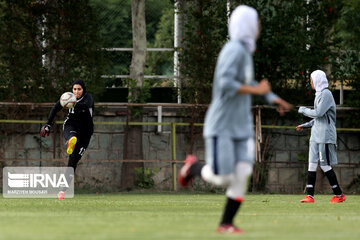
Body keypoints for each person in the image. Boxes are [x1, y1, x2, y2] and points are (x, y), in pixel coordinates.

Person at [178, 5, 292, 234]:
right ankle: (193, 167)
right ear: (247, 25)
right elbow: (227, 84)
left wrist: (272, 98)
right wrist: (259, 92)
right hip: (222, 125)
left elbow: (251, 85)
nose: (259, 26)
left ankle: (226, 224)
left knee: (242, 173)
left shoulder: (246, 53)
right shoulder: (233, 51)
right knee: (222, 178)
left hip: (240, 126)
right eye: (256, 22)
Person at [296, 70, 346, 203]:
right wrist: (305, 125)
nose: (310, 82)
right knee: (311, 164)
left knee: (324, 166)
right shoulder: (318, 94)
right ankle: (310, 196)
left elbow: (318, 113)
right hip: (315, 135)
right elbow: (319, 118)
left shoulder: (326, 94)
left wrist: (303, 110)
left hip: (325, 135)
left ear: (318, 80)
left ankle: (339, 195)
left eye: (312, 80)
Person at [40, 80, 94, 200]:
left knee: (73, 162)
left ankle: (62, 190)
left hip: (85, 132)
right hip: (71, 125)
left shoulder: (88, 98)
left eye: (79, 89)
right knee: (72, 135)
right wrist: (48, 124)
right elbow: (55, 108)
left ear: (83, 90)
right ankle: (71, 140)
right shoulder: (68, 97)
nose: (76, 92)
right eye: (74, 89)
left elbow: (85, 106)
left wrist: (72, 103)